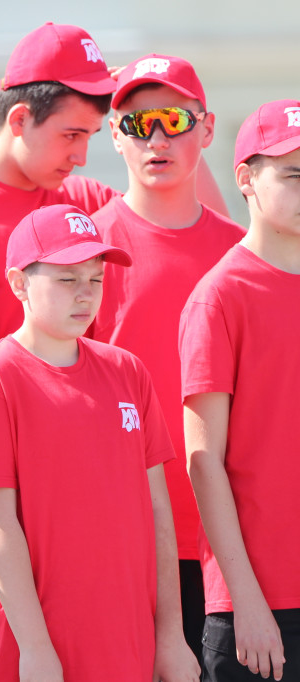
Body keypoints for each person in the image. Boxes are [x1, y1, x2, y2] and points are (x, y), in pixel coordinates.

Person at [0, 204, 199, 681]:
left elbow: (157, 510)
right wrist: (36, 648)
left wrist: (171, 635)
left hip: (128, 641)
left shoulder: (127, 371)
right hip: (42, 647)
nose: (85, 295)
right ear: (19, 283)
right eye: (67, 279)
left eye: (95, 279)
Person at [0, 22, 229, 356]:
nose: (81, 156)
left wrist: (162, 108)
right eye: (72, 135)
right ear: (19, 120)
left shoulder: (85, 201)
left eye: (90, 135)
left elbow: (207, 235)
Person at [88, 54, 245, 663]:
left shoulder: (241, 253)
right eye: (137, 122)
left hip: (232, 537)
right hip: (125, 534)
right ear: (115, 135)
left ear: (206, 130)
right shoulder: (88, 256)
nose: (156, 138)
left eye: (173, 120)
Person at [181, 99, 300, 682]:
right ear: (246, 179)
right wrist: (245, 601)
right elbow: (204, 464)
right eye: (294, 174)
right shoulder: (220, 296)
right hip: (259, 606)